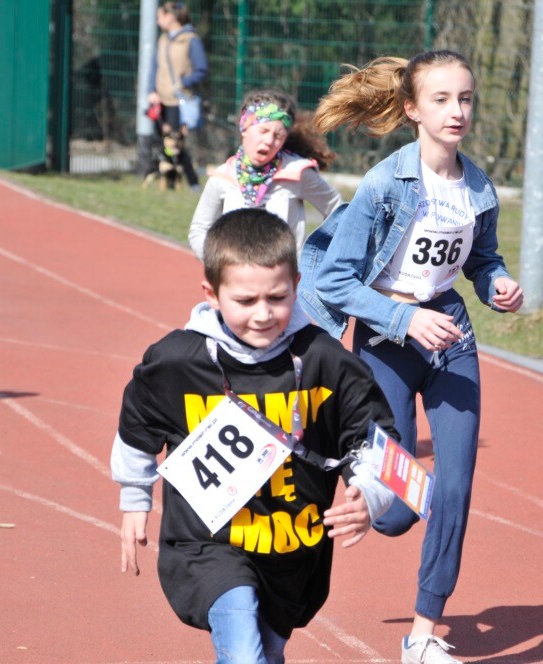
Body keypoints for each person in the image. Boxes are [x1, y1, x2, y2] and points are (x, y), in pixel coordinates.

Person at [300, 50, 524, 664]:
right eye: (443, 100)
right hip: (385, 341)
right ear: (412, 110)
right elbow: (336, 283)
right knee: (398, 512)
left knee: (455, 484)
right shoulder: (382, 186)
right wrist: (402, 317)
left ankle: (422, 635)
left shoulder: (479, 186)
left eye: (466, 99)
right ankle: (360, 494)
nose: (457, 112)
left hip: (450, 336)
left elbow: (482, 259)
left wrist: (497, 284)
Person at [111, 209, 400, 663]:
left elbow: (374, 435)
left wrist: (370, 492)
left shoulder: (325, 360)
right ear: (211, 294)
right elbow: (138, 424)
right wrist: (134, 497)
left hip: (292, 546)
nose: (264, 314)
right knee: (244, 651)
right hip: (209, 542)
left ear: (297, 285)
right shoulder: (178, 361)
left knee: (264, 652)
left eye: (278, 297)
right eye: (245, 301)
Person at [188, 89, 342, 259]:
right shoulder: (222, 177)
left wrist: (315, 260)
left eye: (278, 135)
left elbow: (338, 210)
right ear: (244, 127)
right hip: (236, 280)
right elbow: (199, 230)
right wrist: (218, 263)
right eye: (263, 131)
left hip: (285, 281)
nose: (269, 141)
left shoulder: (297, 172)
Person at [145, 2, 207, 191]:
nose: (157, 21)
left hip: (179, 100)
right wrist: (151, 91)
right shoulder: (163, 39)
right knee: (162, 142)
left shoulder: (190, 40)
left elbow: (201, 69)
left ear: (171, 17)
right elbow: (155, 68)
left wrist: (183, 83)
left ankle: (192, 181)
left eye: (160, 16)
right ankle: (160, 177)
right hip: (161, 99)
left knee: (176, 143)